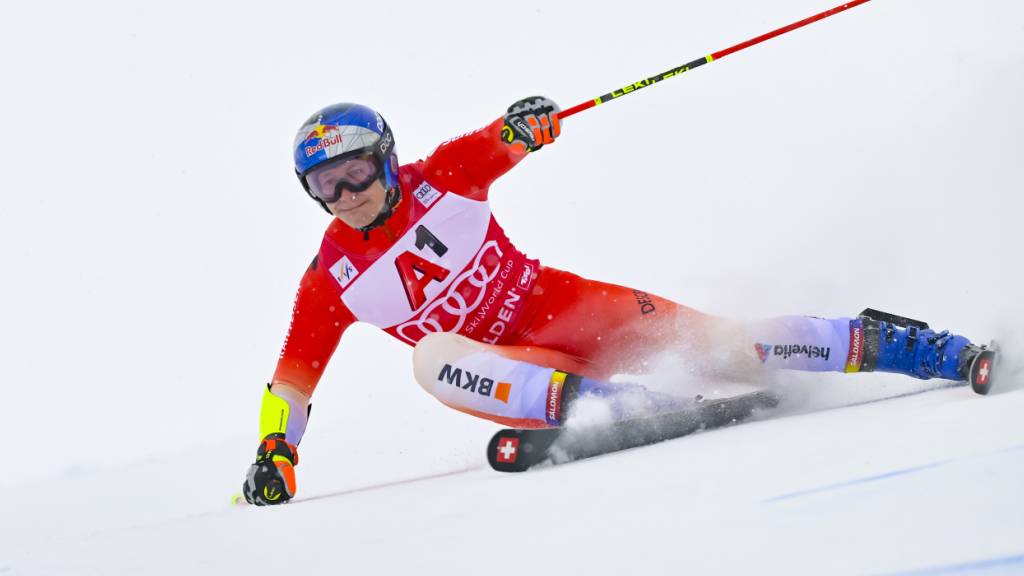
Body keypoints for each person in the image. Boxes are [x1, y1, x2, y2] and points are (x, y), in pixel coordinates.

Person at [241, 98, 995, 505]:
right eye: (323, 186)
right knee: (433, 360)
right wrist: (276, 451)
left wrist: (527, 127)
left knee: (731, 348)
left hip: (569, 311)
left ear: (386, 160)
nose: (344, 196)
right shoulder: (330, 279)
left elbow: (504, 138)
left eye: (354, 173)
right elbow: (292, 380)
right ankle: (607, 405)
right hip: (524, 368)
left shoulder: (441, 175)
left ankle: (919, 348)